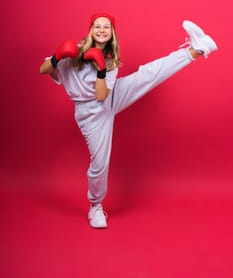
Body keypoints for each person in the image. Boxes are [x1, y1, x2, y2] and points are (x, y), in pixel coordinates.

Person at [40, 13, 218, 229]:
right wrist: (58, 56)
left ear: (111, 32)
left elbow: (104, 94)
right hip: (91, 112)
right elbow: (44, 70)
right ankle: (95, 206)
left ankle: (197, 49)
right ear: (91, 30)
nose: (102, 30)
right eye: (98, 26)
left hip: (109, 95)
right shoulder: (75, 51)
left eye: (107, 27)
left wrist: (102, 68)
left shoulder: (111, 59)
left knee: (148, 74)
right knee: (99, 164)